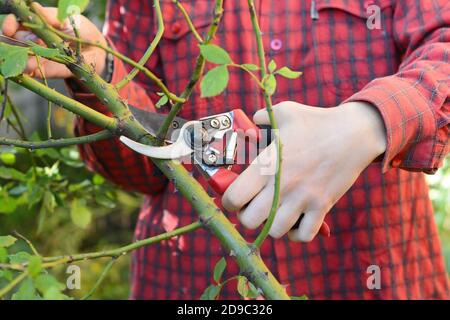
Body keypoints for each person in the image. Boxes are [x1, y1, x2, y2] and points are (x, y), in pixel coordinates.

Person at [3, 0, 449, 299]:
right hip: (188, 286)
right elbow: (138, 167)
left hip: (377, 272)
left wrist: (366, 123)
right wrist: (97, 67)